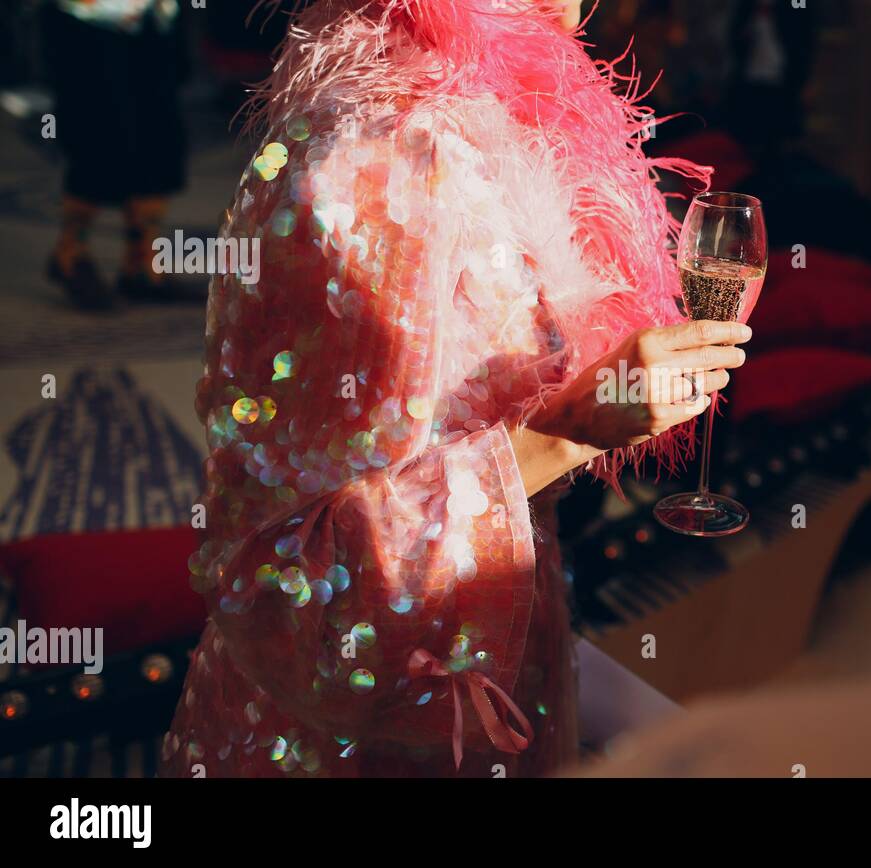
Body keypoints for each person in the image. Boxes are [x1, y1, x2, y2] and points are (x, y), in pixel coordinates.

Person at [160, 0, 749, 778]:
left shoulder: (494, 126)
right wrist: (566, 431)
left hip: (497, 679)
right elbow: (288, 594)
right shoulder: (379, 159)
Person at [41, 0, 189, 310]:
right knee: (99, 134)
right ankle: (70, 252)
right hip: (86, 19)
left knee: (159, 134)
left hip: (152, 15)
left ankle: (141, 263)